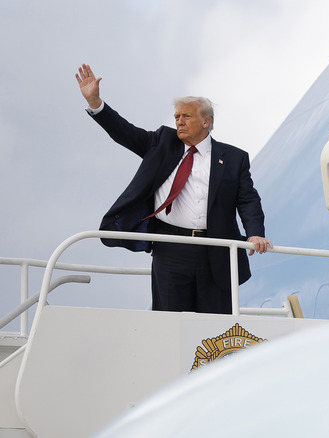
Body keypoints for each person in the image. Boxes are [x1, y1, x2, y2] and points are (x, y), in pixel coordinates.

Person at [75, 63, 272, 314]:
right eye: (176, 117)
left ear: (205, 122)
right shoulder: (161, 142)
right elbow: (125, 133)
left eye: (186, 116)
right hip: (170, 248)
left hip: (217, 250)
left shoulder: (234, 158)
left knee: (214, 329)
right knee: (169, 323)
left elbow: (248, 200)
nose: (179, 121)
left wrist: (254, 233)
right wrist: (96, 103)